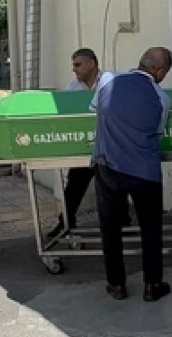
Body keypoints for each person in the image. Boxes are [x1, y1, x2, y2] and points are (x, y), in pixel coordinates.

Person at [90, 46, 172, 302]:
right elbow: (157, 132)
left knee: (110, 229)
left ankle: (116, 285)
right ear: (159, 70)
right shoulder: (162, 98)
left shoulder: (107, 80)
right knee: (150, 229)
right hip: (144, 171)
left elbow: (95, 109)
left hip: (107, 166)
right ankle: (152, 286)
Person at [45, 48, 129, 238]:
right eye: (73, 65)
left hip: (109, 143)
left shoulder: (110, 82)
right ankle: (65, 223)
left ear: (91, 64)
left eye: (78, 64)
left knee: (116, 183)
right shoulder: (73, 87)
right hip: (84, 145)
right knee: (75, 185)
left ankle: (123, 222)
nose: (74, 69)